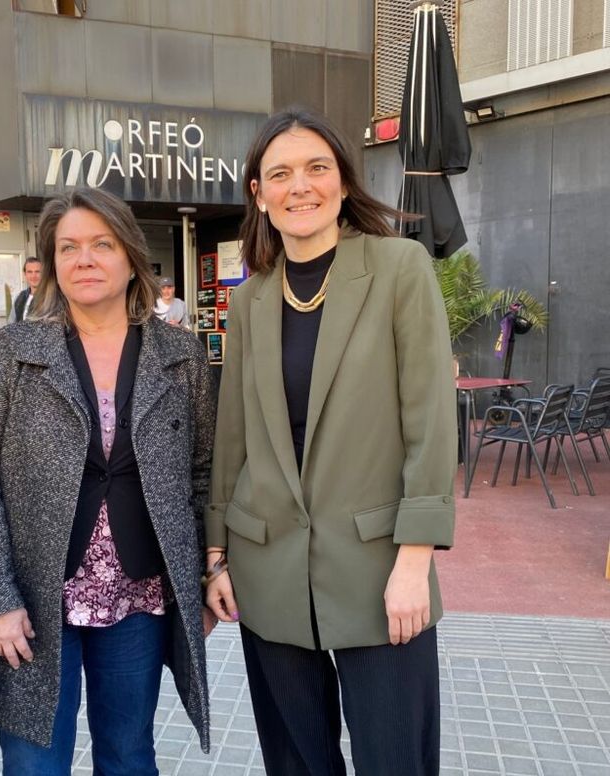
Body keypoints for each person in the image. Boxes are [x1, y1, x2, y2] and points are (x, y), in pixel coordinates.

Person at [204, 106, 457, 776]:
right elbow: (234, 436)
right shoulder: (249, 300)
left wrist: (415, 563)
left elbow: (430, 423)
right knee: (295, 762)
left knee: (395, 760)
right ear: (259, 194)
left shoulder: (399, 268)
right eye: (280, 174)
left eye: (317, 168)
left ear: (343, 181)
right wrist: (216, 556)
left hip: (380, 569)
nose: (300, 186)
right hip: (267, 567)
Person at [0, 187, 216, 775]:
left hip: (138, 594)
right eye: (68, 247)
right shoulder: (11, 354)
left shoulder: (181, 355)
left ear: (131, 257)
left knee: (129, 755)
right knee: (33, 762)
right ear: (52, 262)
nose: (84, 260)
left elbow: (203, 473)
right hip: (34, 598)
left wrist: (203, 577)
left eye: (102, 245)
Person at [11, 256, 42, 321]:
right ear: (25, 274)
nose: (33, 276)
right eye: (30, 272)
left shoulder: (51, 298)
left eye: (37, 272)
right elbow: (12, 323)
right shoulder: (20, 297)